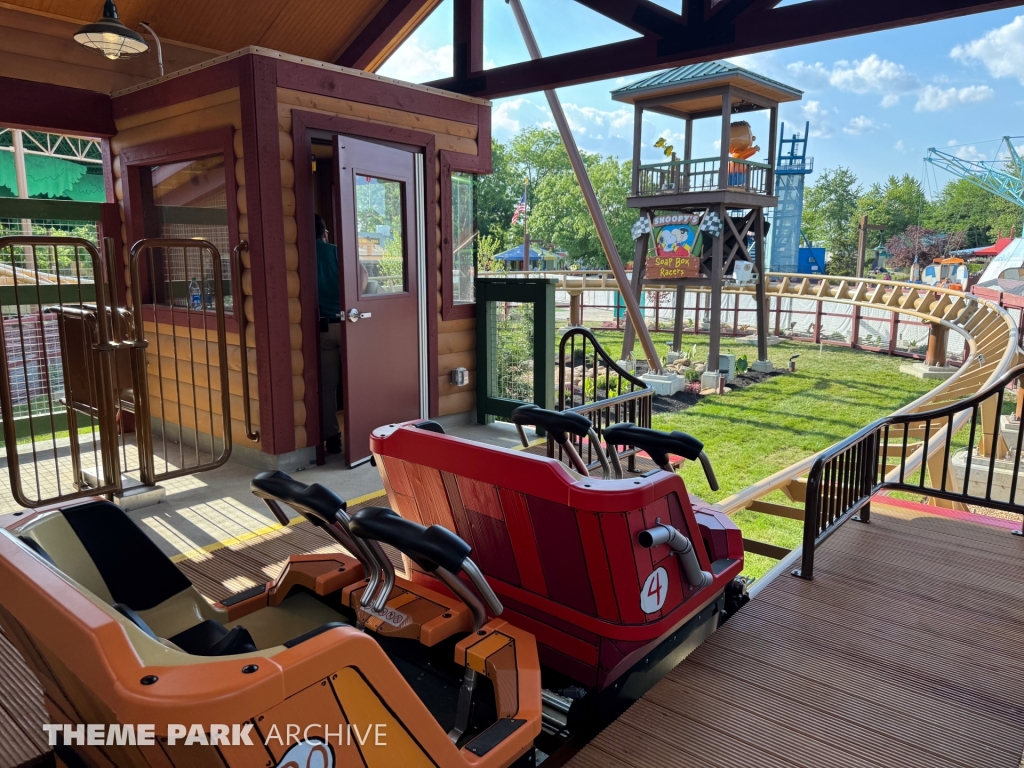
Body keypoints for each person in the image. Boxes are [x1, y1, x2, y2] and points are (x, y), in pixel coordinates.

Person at [315, 214, 343, 454]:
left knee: (327, 386)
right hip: (347, 323)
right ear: (325, 233)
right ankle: (363, 433)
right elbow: (362, 275)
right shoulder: (336, 252)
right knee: (356, 382)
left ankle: (332, 437)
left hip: (321, 327)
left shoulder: (301, 255)